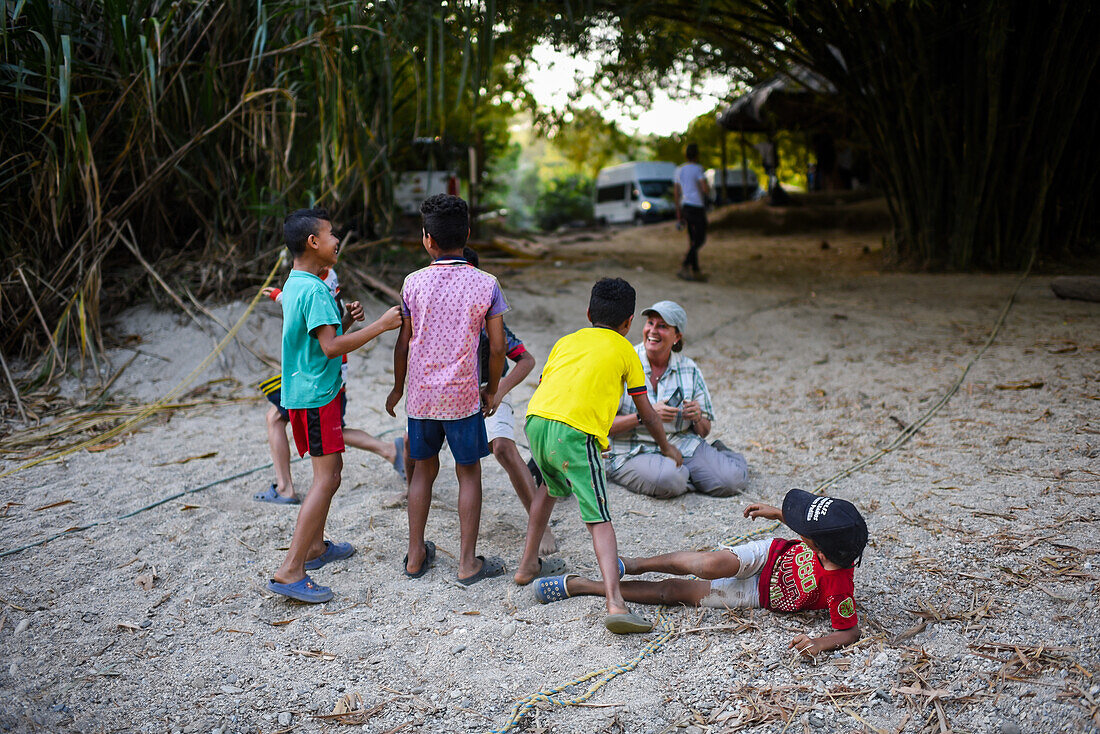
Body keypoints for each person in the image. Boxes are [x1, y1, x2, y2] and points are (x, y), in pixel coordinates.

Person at [515, 277, 683, 634]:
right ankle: (615, 601)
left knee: (548, 487)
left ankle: (527, 565)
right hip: (575, 434)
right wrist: (667, 446)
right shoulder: (626, 352)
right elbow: (648, 413)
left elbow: (549, 385)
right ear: (629, 323)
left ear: (589, 312)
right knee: (599, 516)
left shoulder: (566, 341)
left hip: (535, 422)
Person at [535, 488, 867, 657]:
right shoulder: (820, 544)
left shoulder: (840, 589)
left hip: (759, 595)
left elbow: (849, 632)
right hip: (769, 555)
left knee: (677, 593)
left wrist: (820, 643)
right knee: (707, 564)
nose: (801, 530)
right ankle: (636, 564)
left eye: (806, 532)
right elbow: (804, 528)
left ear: (819, 547)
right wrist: (777, 513)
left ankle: (584, 586)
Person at [267, 208, 403, 603]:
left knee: (333, 472)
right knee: (325, 479)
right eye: (330, 235)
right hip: (315, 396)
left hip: (307, 392)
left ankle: (315, 548)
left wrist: (345, 317)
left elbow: (320, 335)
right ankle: (291, 569)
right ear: (313, 242)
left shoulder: (297, 283)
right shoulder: (314, 289)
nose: (336, 240)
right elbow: (330, 348)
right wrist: (378, 325)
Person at [386, 194, 508, 585]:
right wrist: (492, 388)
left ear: (427, 240)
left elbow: (402, 343)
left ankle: (415, 555)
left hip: (421, 397)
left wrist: (396, 388)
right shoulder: (486, 284)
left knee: (422, 471)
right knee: (468, 473)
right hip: (463, 397)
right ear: (468, 234)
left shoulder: (412, 283)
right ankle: (467, 563)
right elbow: (499, 346)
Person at [255, 269, 405, 505]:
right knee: (326, 443)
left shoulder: (316, 284)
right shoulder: (314, 279)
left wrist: (380, 325)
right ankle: (390, 450)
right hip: (316, 372)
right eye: (330, 235)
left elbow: (329, 340)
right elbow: (325, 329)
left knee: (327, 472)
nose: (335, 241)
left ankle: (287, 491)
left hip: (316, 376)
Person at [464, 247, 560, 557]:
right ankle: (411, 495)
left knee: (504, 447)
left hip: (487, 390)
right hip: (446, 396)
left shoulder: (489, 323)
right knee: (414, 445)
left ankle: (540, 524)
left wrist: (498, 390)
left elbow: (525, 360)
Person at [606, 300, 749, 499]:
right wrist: (646, 416)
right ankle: (691, 476)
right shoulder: (624, 362)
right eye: (650, 323)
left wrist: (698, 417)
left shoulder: (689, 368)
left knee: (731, 482)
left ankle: (714, 461)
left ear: (677, 336)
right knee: (670, 480)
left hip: (680, 443)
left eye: (662, 326)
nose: (653, 331)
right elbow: (605, 426)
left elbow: (704, 430)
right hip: (632, 447)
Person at [674, 143, 711, 282]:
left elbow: (676, 192)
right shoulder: (698, 169)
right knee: (700, 238)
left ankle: (695, 271)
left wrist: (678, 211)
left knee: (692, 239)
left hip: (685, 207)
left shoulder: (679, 170)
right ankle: (684, 265)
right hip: (697, 206)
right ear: (697, 155)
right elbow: (704, 188)